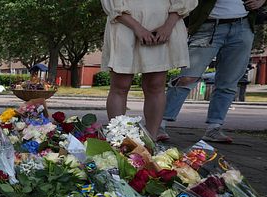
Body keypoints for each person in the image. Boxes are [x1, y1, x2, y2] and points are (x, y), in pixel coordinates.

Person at [159, 0, 266, 143]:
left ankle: (214, 127)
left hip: (243, 26)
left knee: (229, 81)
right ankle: (159, 123)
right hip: (208, 26)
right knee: (187, 78)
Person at [100, 0, 198, 139]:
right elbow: (112, 4)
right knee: (120, 86)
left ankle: (152, 138)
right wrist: (138, 28)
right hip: (124, 25)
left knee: (156, 85)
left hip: (163, 24)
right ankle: (118, 138)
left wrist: (168, 26)